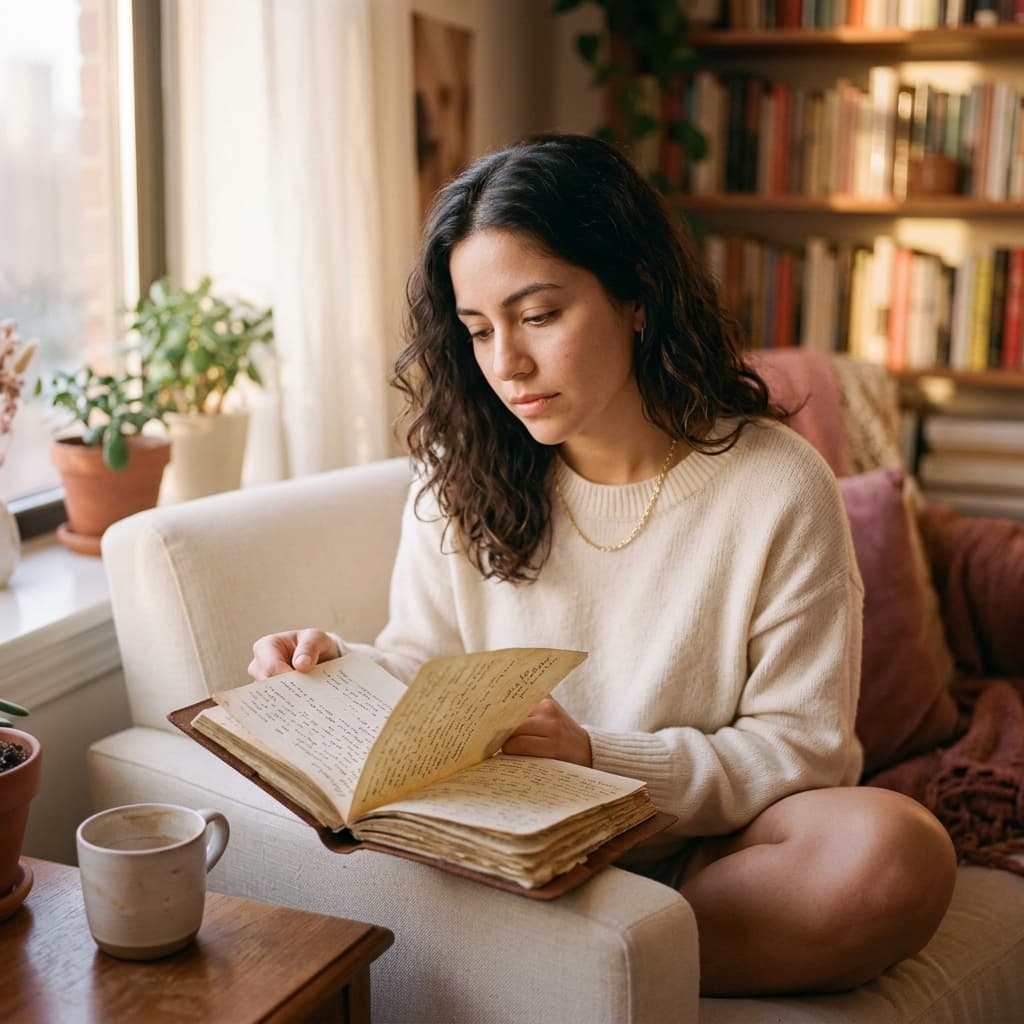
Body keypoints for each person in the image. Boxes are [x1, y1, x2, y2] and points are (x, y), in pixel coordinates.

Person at [249, 133, 956, 996]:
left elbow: (803, 751)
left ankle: (574, 964)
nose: (506, 364)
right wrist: (333, 670)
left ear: (637, 297)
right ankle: (591, 962)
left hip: (707, 859)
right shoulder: (458, 475)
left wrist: (595, 755)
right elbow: (423, 668)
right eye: (478, 331)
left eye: (539, 316)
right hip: (508, 848)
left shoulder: (777, 484)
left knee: (896, 853)